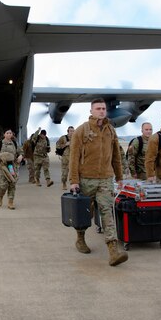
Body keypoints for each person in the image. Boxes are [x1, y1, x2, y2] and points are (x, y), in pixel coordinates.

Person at [69, 98, 128, 267]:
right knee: (85, 213)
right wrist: (74, 180)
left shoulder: (110, 130)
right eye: (98, 108)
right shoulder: (82, 130)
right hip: (86, 179)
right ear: (91, 111)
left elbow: (116, 155)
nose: (102, 111)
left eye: (103, 108)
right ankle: (80, 238)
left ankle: (113, 251)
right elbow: (74, 158)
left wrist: (119, 176)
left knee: (107, 212)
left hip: (105, 179)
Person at [0, 129, 24, 209]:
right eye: (7, 133)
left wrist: (20, 156)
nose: (9, 134)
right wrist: (0, 158)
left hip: (11, 167)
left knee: (12, 183)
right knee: (3, 185)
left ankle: (10, 202)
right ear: (4, 135)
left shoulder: (15, 144)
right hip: (2, 167)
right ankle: (0, 197)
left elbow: (21, 152)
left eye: (10, 133)